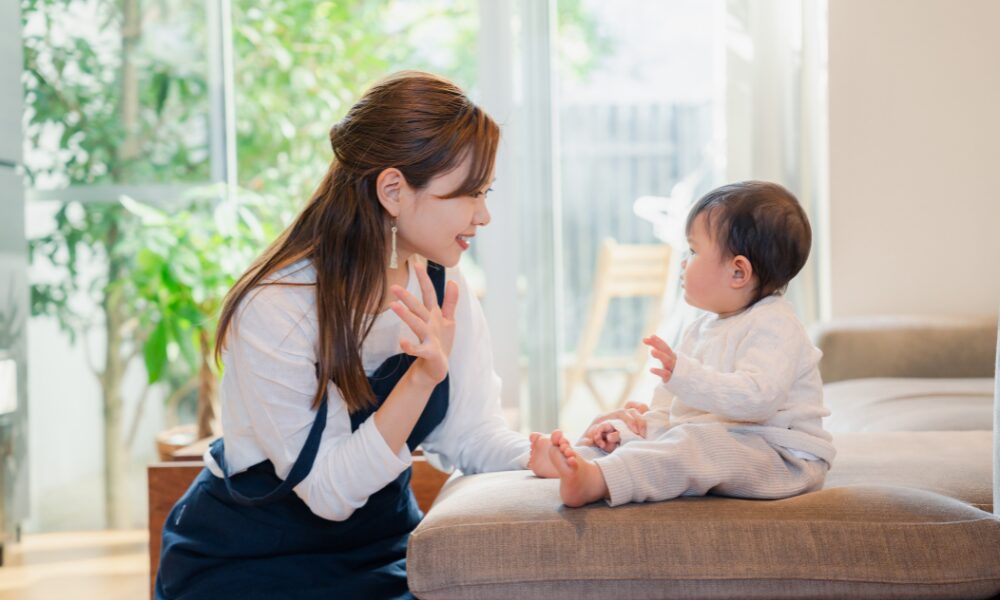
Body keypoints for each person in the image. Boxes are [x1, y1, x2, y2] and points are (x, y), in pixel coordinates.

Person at [155, 71, 530, 600]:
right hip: (250, 562)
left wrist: (549, 454)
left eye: (484, 193)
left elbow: (471, 434)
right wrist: (422, 378)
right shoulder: (278, 305)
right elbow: (329, 492)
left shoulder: (442, 288)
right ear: (394, 190)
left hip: (386, 551)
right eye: (468, 194)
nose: (484, 215)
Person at [529, 181, 835, 508]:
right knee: (648, 433)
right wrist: (637, 431)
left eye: (693, 250)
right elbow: (673, 413)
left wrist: (685, 375)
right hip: (729, 440)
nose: (683, 262)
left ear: (738, 272)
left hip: (780, 455)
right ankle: (579, 459)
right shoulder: (700, 330)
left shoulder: (775, 324)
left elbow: (756, 399)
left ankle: (598, 481)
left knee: (693, 444)